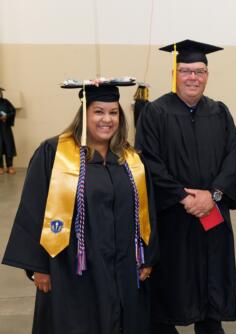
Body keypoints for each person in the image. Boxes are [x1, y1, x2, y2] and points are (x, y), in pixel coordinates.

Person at [2, 78, 159, 334]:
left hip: (123, 266)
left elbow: (146, 212)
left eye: (113, 112)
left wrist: (147, 256)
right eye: (98, 111)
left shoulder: (131, 159)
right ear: (84, 114)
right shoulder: (54, 153)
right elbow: (33, 208)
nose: (106, 119)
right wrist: (38, 267)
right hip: (72, 269)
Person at [135, 39, 236, 334]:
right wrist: (183, 196)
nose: (193, 77)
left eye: (199, 71)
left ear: (207, 75)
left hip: (213, 216)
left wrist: (213, 196)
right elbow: (149, 163)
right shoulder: (155, 113)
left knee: (211, 284)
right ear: (175, 73)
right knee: (171, 285)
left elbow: (232, 157)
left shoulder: (220, 112)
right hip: (172, 218)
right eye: (185, 71)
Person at [0, 87, 17, 174]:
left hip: (6, 128)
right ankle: (1, 167)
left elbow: (13, 111)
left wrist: (6, 116)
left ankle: (10, 166)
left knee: (8, 146)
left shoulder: (6, 102)